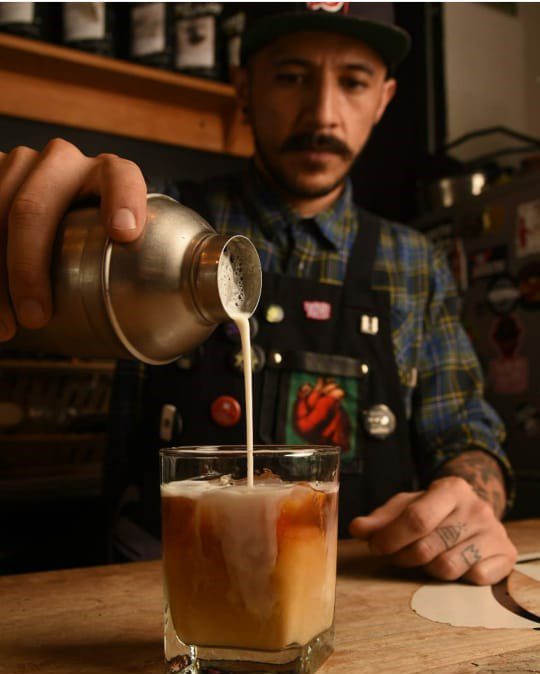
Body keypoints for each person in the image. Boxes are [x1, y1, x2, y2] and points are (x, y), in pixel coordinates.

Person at [0, 3, 517, 584]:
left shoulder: (414, 263)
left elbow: (465, 431)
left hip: (350, 592)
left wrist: (470, 495)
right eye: (292, 77)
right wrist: (56, 222)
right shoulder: (151, 224)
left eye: (353, 82)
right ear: (243, 86)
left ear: (385, 99)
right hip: (161, 593)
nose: (322, 114)